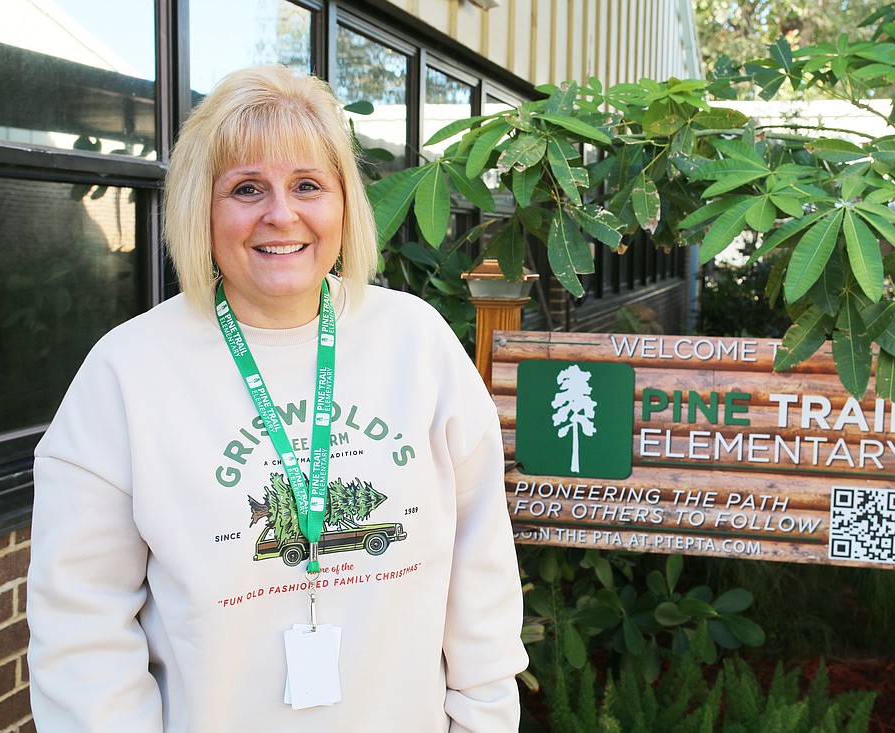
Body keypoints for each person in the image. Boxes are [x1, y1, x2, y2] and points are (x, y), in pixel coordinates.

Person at [27, 65, 527, 732]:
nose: (281, 214)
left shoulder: (418, 344)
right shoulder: (127, 372)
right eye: (246, 188)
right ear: (199, 207)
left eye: (308, 185)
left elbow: (482, 568)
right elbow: (80, 630)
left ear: (345, 203)